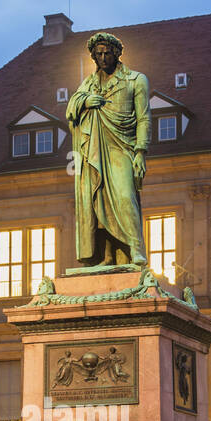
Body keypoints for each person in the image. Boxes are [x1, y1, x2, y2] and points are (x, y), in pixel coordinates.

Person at [66, 32, 150, 267]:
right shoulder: (88, 84)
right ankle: (108, 256)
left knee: (125, 196)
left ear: (117, 53)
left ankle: (135, 249)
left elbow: (144, 119)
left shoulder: (136, 80)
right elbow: (71, 108)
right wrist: (85, 101)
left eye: (107, 53)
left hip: (122, 147)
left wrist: (141, 152)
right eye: (98, 54)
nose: (103, 58)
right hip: (94, 150)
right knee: (97, 199)